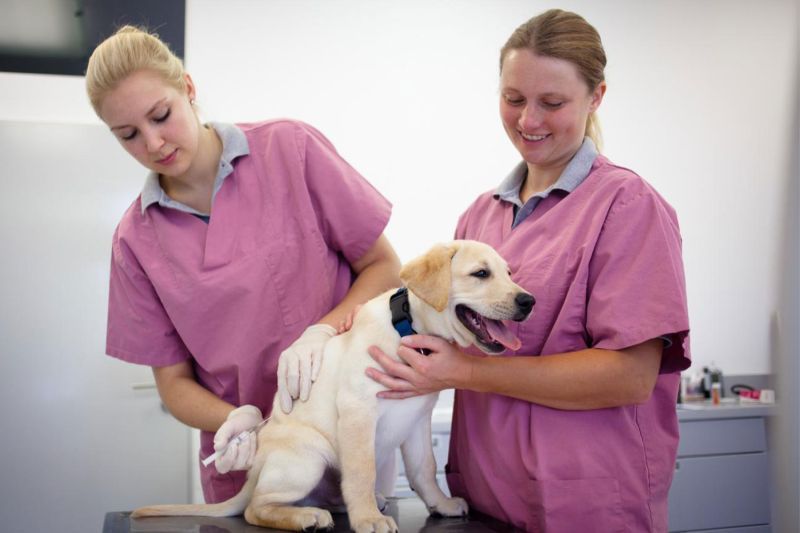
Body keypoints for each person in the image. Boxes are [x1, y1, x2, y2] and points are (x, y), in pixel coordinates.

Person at [365, 9, 690, 532]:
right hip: (482, 493)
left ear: (596, 97)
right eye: (513, 99)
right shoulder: (479, 216)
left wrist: (467, 372)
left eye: (552, 103)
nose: (528, 121)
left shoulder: (628, 206)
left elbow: (630, 377)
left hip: (584, 501)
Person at [85, 26, 401, 504]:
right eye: (128, 135)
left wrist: (323, 332)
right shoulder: (134, 243)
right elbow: (173, 384)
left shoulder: (290, 150)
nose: (153, 143)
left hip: (349, 431)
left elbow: (384, 266)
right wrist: (235, 420)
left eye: (161, 116)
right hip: (252, 462)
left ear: (188, 89)